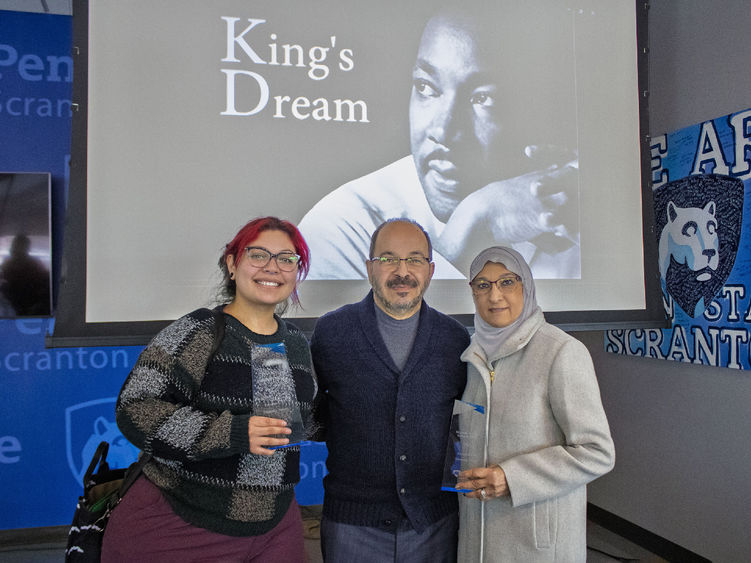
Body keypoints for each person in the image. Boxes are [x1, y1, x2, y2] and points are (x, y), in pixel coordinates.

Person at [299, 4, 580, 281]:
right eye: (426, 87)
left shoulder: (574, 201)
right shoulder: (343, 225)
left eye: (483, 98)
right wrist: (473, 225)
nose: (444, 131)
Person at [102, 216, 317, 562]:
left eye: (287, 259)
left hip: (274, 527)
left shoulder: (295, 344)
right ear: (232, 264)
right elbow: (136, 407)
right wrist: (231, 432)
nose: (272, 267)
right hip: (180, 523)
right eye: (258, 255)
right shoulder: (198, 331)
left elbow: (293, 426)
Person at [310, 218, 470, 562]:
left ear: (430, 270)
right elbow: (315, 416)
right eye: (388, 259)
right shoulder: (331, 332)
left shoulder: (454, 339)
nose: (402, 271)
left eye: (414, 259)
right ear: (370, 268)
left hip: (433, 524)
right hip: (352, 525)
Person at [454, 246, 615, 562]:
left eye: (507, 282)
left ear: (525, 285)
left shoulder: (561, 352)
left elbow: (598, 452)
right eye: (482, 285)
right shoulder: (472, 356)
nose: (495, 296)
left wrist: (511, 477)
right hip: (478, 538)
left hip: (536, 543)